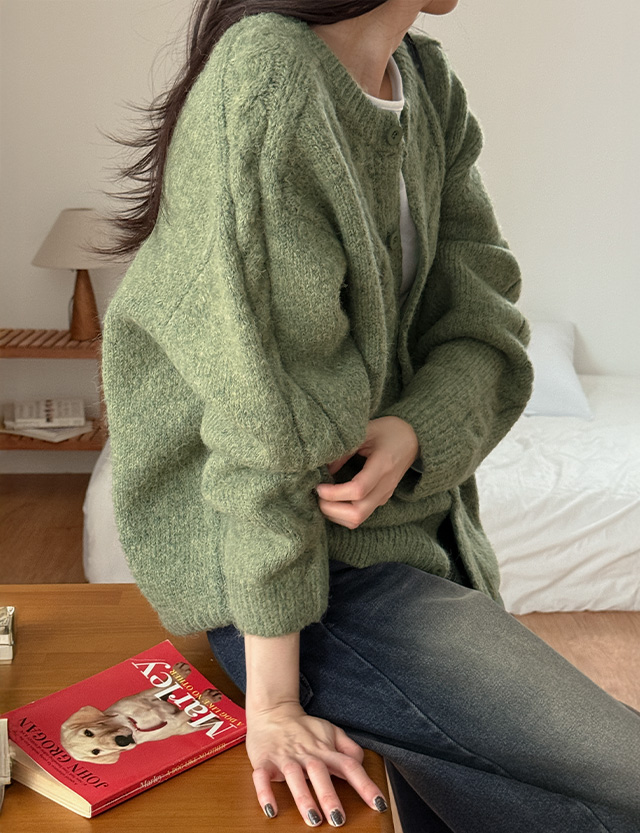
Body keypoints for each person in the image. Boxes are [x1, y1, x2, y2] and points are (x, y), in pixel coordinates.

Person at [100, 2, 640, 831]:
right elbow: (263, 416)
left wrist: (416, 428)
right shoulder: (268, 76)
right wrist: (274, 704)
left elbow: (486, 325)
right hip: (302, 590)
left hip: (426, 554)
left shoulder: (426, 82)